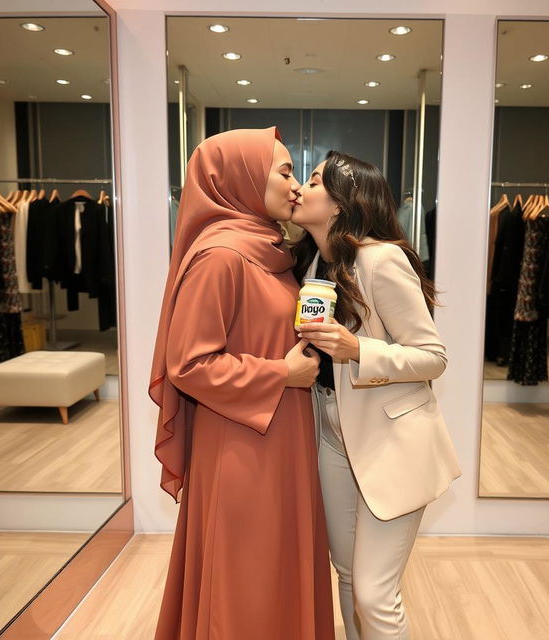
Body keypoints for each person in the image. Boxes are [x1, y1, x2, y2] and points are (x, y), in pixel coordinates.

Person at [149, 127, 335, 639]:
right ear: (243, 178)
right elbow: (189, 364)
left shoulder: (268, 250)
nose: (296, 185)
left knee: (275, 566)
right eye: (284, 171)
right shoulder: (221, 257)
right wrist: (283, 373)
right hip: (242, 447)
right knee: (248, 576)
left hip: (279, 437)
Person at [292, 151, 461, 640]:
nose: (302, 186)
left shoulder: (380, 259)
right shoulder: (314, 265)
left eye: (316, 179)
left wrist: (357, 349)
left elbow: (433, 357)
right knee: (345, 574)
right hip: (332, 436)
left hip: (392, 441)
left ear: (343, 203)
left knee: (373, 593)